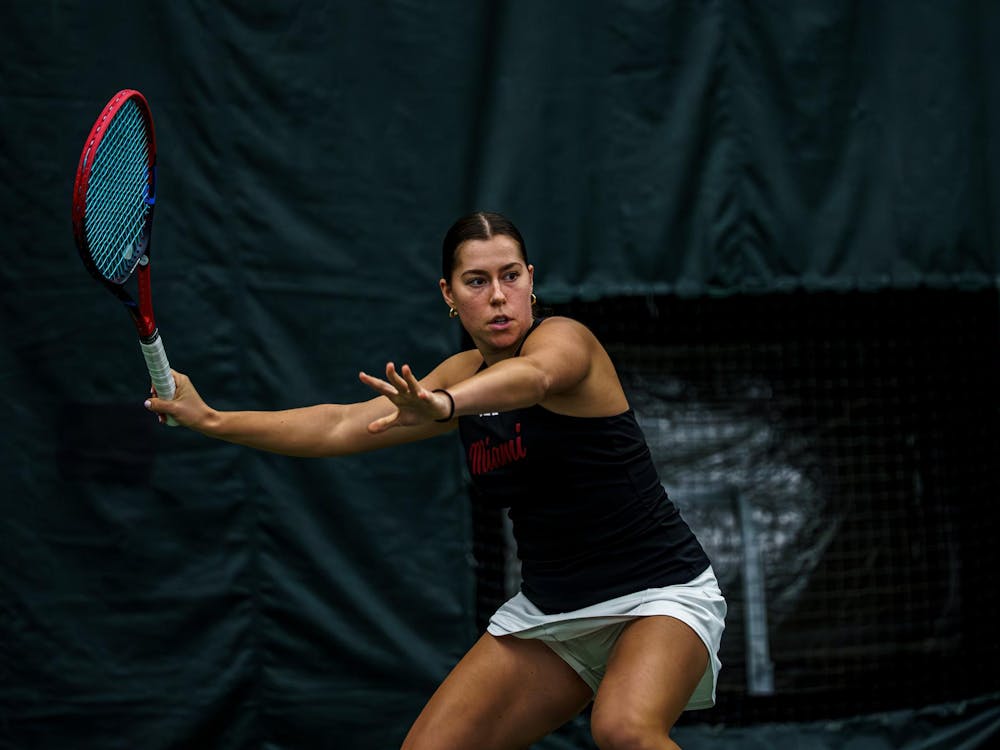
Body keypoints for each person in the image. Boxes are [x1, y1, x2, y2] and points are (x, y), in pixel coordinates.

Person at [145, 211, 726, 750]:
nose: (498, 296)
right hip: (554, 610)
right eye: (476, 281)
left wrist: (445, 404)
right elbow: (340, 425)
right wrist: (214, 420)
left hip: (660, 593)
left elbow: (535, 378)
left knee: (623, 729)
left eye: (511, 275)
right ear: (449, 295)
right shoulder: (461, 373)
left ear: (531, 280)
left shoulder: (565, 341)